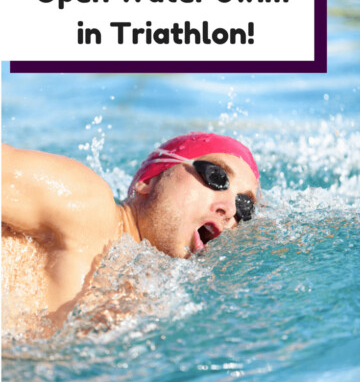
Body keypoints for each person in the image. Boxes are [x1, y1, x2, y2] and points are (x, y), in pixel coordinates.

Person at [1, 132, 259, 335]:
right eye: (216, 176)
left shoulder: (153, 301)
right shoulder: (86, 205)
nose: (231, 209)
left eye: (245, 207)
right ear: (148, 182)